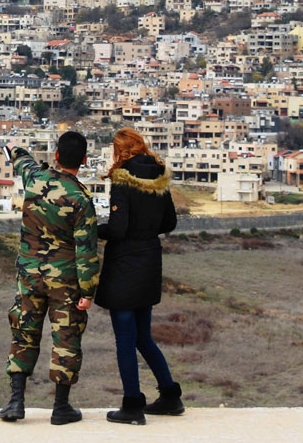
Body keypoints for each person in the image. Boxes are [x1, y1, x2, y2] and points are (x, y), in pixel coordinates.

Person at [0, 131, 99, 426]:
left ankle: (16, 402)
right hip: (65, 281)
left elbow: (22, 160)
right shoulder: (81, 199)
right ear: (83, 160)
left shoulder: (35, 179)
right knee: (66, 338)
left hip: (29, 276)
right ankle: (61, 407)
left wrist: (13, 147)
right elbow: (87, 252)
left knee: (24, 332)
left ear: (55, 156)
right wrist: (88, 291)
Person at [96, 128, 183, 425]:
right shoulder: (159, 176)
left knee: (125, 338)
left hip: (124, 265)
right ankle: (170, 395)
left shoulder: (122, 179)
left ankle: (132, 405)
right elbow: (169, 221)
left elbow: (118, 229)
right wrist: (146, 231)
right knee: (143, 337)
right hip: (149, 260)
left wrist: (97, 230)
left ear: (120, 151)